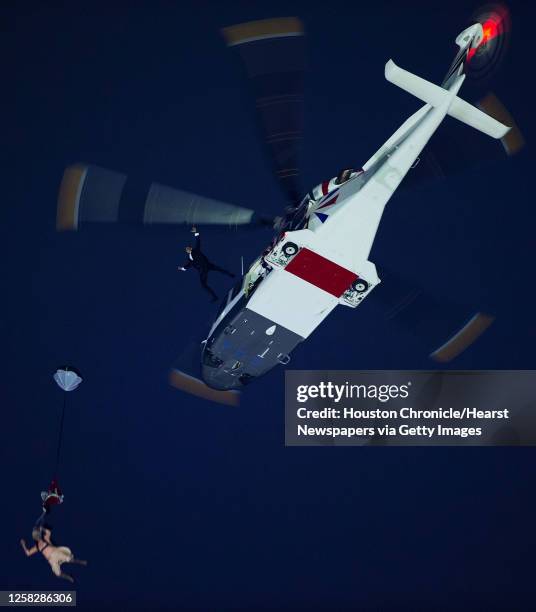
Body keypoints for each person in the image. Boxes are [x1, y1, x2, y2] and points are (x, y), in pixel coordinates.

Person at [178, 226, 235, 302]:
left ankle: (230, 274)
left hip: (207, 265)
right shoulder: (190, 259)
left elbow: (198, 241)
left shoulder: (196, 251)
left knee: (219, 269)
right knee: (204, 285)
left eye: (188, 248)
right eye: (186, 249)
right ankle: (215, 297)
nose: (187, 249)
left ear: (190, 248)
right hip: (202, 270)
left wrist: (196, 232)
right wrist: (181, 268)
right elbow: (187, 266)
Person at [20, 525, 86, 583]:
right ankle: (69, 577)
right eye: (36, 536)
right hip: (51, 560)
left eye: (37, 535)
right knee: (58, 574)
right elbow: (28, 553)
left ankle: (82, 562)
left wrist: (41, 528)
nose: (37, 537)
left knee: (69, 559)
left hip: (56, 553)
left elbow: (48, 532)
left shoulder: (45, 539)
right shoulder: (37, 547)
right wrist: (23, 545)